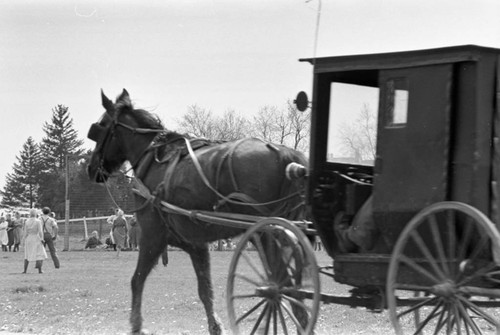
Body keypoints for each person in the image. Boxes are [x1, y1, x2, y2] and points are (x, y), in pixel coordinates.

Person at [23, 208, 47, 273]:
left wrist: (24, 239)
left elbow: (25, 232)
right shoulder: (38, 221)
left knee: (27, 254)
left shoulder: (26, 221)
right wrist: (42, 238)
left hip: (29, 238)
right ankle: (40, 270)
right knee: (39, 253)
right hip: (36, 238)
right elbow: (40, 231)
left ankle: (25, 270)